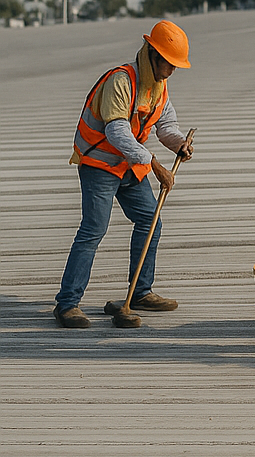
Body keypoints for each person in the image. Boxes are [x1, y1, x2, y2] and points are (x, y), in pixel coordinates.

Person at [54, 21, 194, 328]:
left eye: (174, 67)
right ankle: (67, 303)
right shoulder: (121, 80)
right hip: (101, 164)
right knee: (93, 230)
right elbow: (116, 130)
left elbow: (165, 124)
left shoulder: (159, 86)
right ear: (152, 54)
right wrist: (156, 165)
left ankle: (139, 292)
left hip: (129, 164)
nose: (170, 72)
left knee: (150, 220)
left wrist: (178, 143)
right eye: (168, 65)